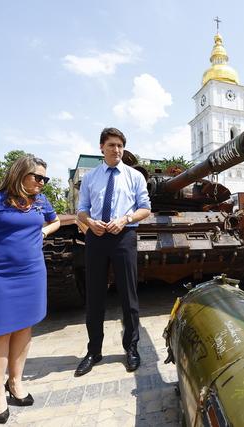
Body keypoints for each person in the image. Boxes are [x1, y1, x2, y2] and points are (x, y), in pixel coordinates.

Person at [0, 156, 60, 423]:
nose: (42, 183)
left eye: (44, 179)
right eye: (37, 177)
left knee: (24, 328)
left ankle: (15, 383)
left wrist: (44, 232)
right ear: (19, 173)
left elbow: (56, 221)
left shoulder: (40, 201)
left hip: (32, 275)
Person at [75, 127, 151, 376]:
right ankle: (93, 351)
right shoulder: (90, 178)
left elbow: (145, 208)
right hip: (96, 238)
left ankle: (131, 348)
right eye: (111, 145)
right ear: (101, 148)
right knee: (94, 296)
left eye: (120, 145)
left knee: (129, 296)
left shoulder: (134, 176)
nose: (116, 150)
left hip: (124, 236)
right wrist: (89, 222)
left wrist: (125, 219)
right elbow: (82, 210)